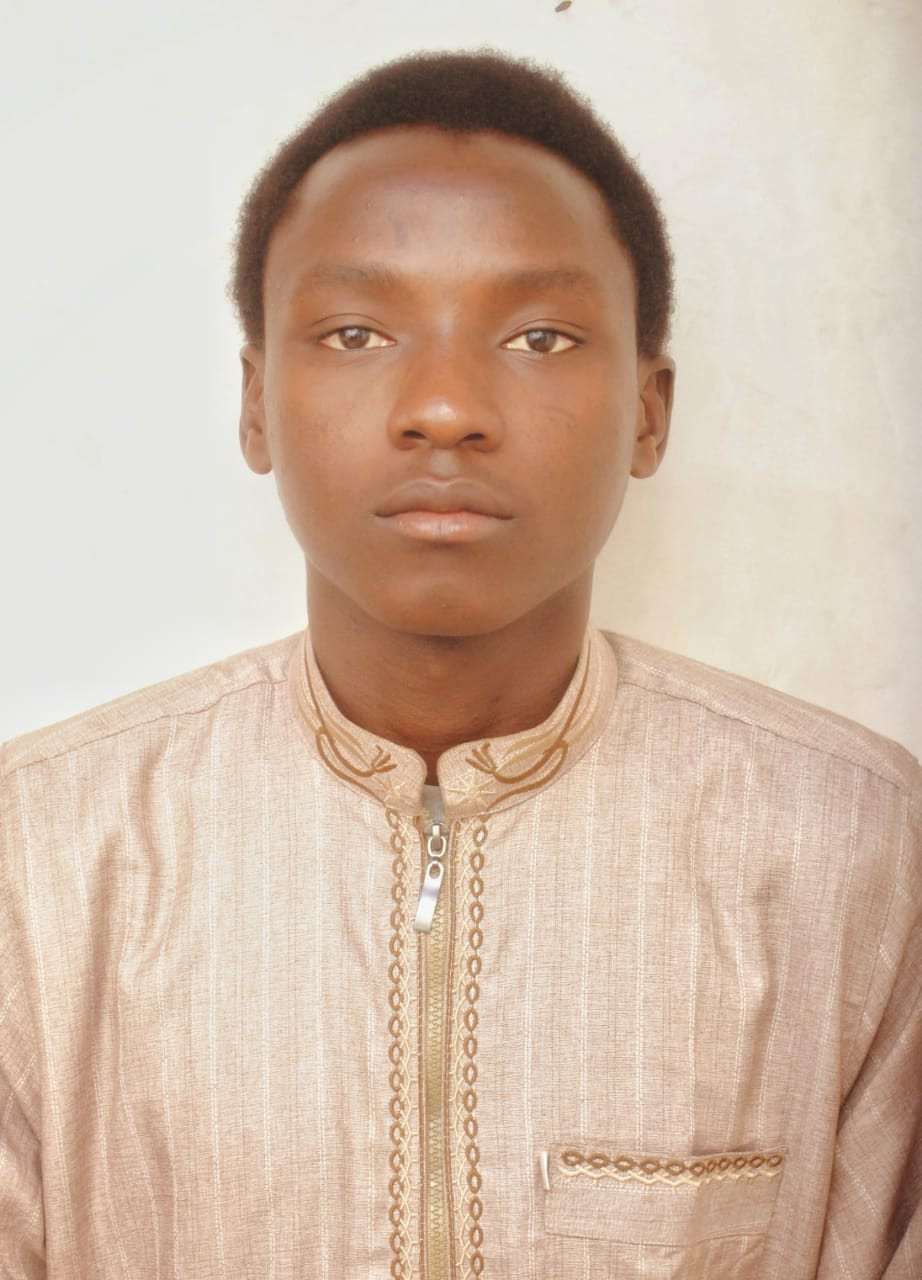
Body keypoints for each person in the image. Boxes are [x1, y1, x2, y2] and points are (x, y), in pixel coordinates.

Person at [0, 50, 919, 1280]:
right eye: (355, 331)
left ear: (648, 411)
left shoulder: (859, 852)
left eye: (539, 335)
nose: (443, 405)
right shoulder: (42, 862)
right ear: (257, 401)